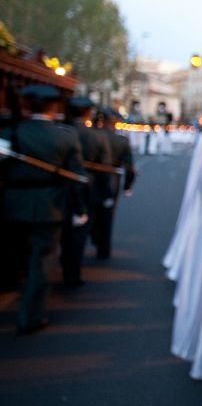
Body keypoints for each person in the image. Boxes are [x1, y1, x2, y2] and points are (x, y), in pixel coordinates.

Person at [0, 85, 88, 334]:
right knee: (42, 261)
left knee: (15, 257)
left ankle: (17, 296)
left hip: (12, 205)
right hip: (50, 207)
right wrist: (79, 209)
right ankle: (30, 317)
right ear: (55, 107)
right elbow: (77, 178)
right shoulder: (67, 136)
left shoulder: (11, 132)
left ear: (27, 106)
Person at [62, 97, 111, 282]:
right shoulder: (97, 136)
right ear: (88, 112)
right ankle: (72, 274)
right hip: (87, 186)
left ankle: (65, 264)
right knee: (78, 233)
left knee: (63, 231)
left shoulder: (62, 131)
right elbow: (104, 168)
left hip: (61, 187)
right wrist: (106, 194)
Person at [92, 107, 136, 258]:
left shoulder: (92, 136)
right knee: (107, 216)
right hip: (111, 181)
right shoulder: (122, 141)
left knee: (89, 212)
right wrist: (127, 186)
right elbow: (130, 168)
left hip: (91, 180)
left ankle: (93, 236)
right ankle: (103, 248)